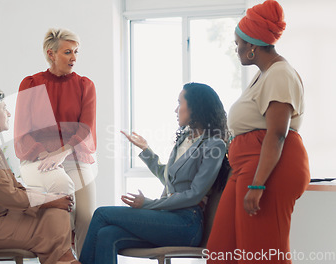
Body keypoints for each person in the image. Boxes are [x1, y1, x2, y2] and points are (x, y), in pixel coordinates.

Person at [206, 1, 310, 263]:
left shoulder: (280, 74)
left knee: (261, 254)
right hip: (246, 164)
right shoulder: (263, 74)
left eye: (238, 42)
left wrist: (258, 183)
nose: (236, 48)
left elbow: (277, 134)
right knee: (222, 251)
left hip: (268, 166)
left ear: (252, 45)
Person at [79, 83, 228, 264]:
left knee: (102, 214)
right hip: (168, 218)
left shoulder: (214, 144)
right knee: (106, 234)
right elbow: (168, 177)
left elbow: (195, 194)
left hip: (186, 223)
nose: (176, 109)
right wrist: (146, 150)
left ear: (195, 107)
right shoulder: (185, 139)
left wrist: (148, 204)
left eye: (180, 103)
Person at [0, 88, 80, 264]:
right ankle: (65, 258)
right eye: (4, 108)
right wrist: (49, 200)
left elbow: (15, 188)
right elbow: (8, 195)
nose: (9, 113)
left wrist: (50, 199)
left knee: (56, 213)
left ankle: (65, 257)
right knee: (52, 219)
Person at [14, 28, 97, 255]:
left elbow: (86, 128)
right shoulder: (30, 84)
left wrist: (61, 153)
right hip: (38, 158)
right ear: (51, 54)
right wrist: (44, 154)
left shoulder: (85, 85)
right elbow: (23, 129)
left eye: (76, 52)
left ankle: (84, 260)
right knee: (63, 210)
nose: (74, 58)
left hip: (75, 156)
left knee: (86, 216)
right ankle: (63, 258)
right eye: (68, 52)